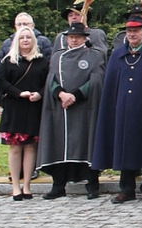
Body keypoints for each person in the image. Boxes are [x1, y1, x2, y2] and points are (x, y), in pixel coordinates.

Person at [92, 15, 142, 204]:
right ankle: (127, 189)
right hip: (123, 110)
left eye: (136, 31)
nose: (132, 34)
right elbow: (110, 85)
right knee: (125, 148)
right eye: (129, 31)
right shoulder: (117, 54)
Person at [37, 22, 105, 200]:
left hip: (84, 108)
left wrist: (76, 95)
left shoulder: (94, 56)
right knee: (59, 145)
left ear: (85, 38)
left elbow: (97, 80)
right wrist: (60, 94)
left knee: (85, 144)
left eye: (78, 37)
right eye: (71, 37)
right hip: (61, 108)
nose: (74, 40)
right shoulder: (58, 56)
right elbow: (51, 79)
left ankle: (92, 184)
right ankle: (58, 185)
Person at [0, 27, 50, 200]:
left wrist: (39, 94)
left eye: (28, 37)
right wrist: (18, 93)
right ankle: (15, 187)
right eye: (22, 38)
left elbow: (48, 82)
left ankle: (27, 185)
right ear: (17, 41)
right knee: (15, 147)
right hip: (14, 107)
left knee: (30, 147)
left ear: (34, 40)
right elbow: (0, 81)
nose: (25, 40)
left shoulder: (42, 62)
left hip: (34, 108)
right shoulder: (9, 61)